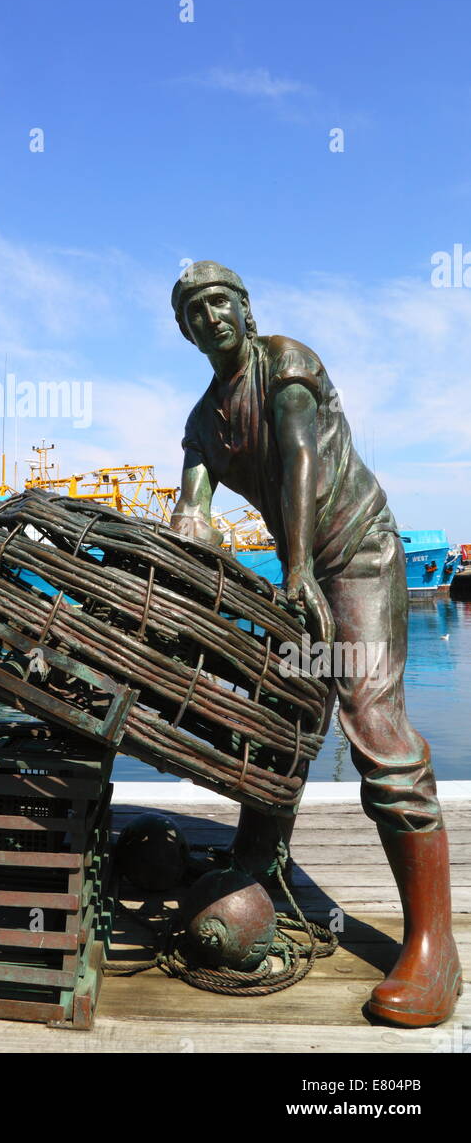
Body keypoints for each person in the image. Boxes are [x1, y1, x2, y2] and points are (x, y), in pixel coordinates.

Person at [169, 259, 461, 1027]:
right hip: (300, 564)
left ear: (246, 308)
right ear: (186, 331)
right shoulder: (203, 422)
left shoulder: (287, 363)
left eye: (221, 302)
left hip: (354, 553)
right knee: (283, 706)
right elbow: (191, 507)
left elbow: (298, 455)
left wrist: (297, 567)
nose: (212, 317)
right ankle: (260, 854)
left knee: (372, 721)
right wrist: (183, 547)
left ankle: (435, 946)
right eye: (195, 311)